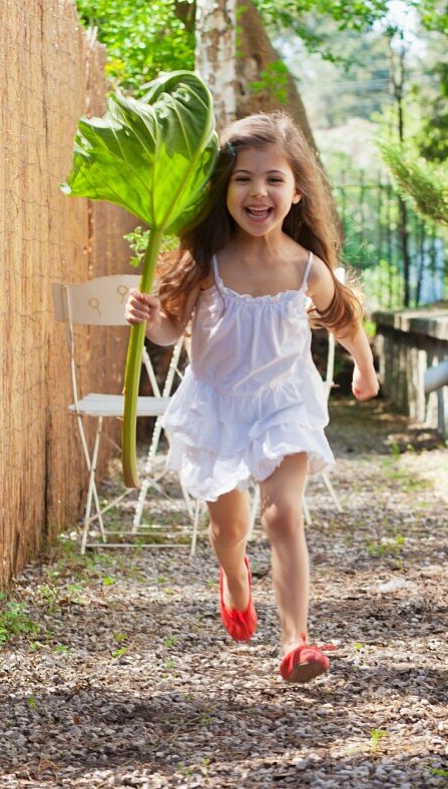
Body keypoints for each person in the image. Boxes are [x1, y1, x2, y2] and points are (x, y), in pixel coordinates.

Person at [125, 111, 379, 683]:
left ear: (295, 193)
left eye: (273, 179)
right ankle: (235, 577)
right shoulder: (206, 262)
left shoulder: (306, 268)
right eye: (242, 178)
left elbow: (345, 321)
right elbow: (170, 332)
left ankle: (296, 641)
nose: (257, 191)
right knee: (229, 528)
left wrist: (364, 368)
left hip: (284, 403)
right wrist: (148, 318)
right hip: (217, 404)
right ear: (223, 189)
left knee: (282, 513)